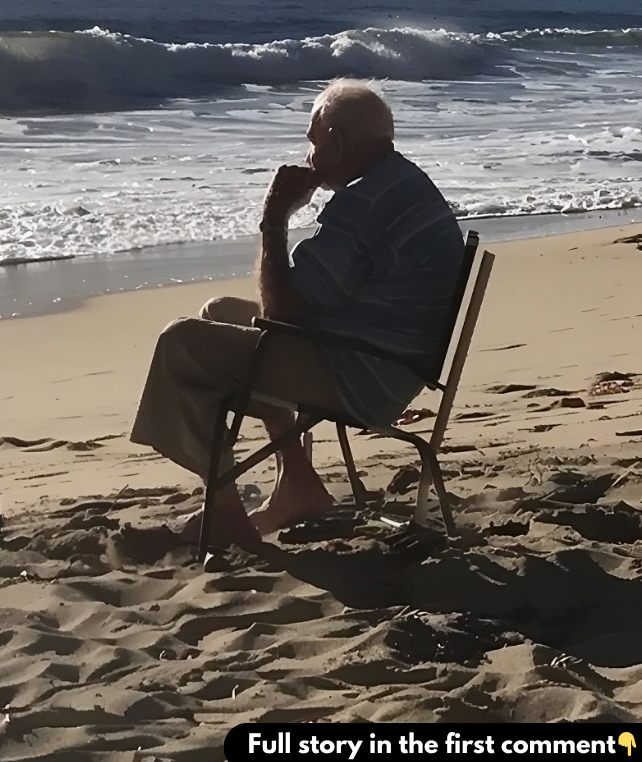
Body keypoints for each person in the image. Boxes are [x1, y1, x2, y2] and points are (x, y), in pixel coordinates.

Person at [130, 78, 464, 552]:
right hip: (387, 358)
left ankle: (224, 512)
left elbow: (284, 311)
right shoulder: (399, 182)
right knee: (217, 313)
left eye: (313, 141)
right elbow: (298, 308)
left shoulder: (363, 202)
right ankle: (298, 482)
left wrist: (274, 218)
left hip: (361, 374)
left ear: (337, 140)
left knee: (181, 344)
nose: (309, 155)